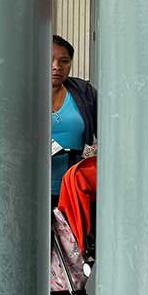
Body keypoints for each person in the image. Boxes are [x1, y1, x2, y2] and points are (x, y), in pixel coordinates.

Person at [51, 35, 98, 207]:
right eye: (50, 59)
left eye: (64, 61)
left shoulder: (84, 92)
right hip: (31, 188)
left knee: (75, 234)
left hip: (74, 192)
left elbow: (109, 131)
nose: (56, 67)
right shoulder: (22, 94)